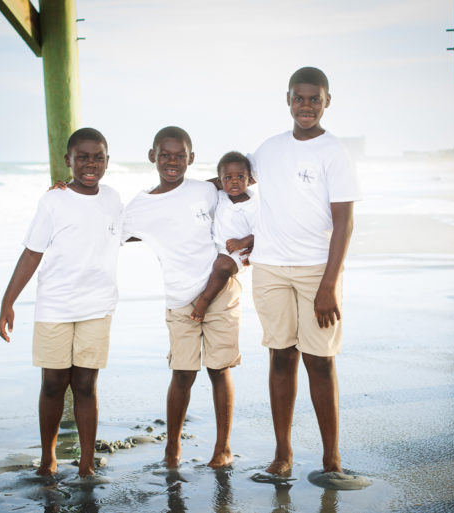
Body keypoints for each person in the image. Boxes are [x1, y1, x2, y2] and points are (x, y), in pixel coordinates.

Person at [248, 67, 368, 488]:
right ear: (288, 100)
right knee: (280, 356)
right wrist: (173, 188)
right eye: (299, 98)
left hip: (317, 270)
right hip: (269, 268)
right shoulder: (269, 148)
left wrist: (329, 285)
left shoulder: (334, 152)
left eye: (314, 99)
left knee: (320, 361)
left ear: (327, 102)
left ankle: (331, 458)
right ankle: (282, 455)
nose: (306, 106)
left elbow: (344, 224)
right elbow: (232, 182)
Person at [0, 128, 123, 478]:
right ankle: (48, 459)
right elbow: (32, 252)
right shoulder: (53, 200)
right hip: (55, 306)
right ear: (68, 161)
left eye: (97, 157)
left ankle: (86, 462)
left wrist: (218, 183)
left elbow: (141, 222)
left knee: (85, 385)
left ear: (107, 161)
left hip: (97, 307)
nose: (90, 163)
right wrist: (9, 302)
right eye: (82, 157)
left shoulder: (113, 198)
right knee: (53, 383)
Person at [122, 126, 241, 469]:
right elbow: (109, 229)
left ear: (191, 158)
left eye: (179, 155)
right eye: (165, 155)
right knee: (183, 373)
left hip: (219, 291)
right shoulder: (140, 206)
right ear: (152, 157)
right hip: (179, 297)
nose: (172, 162)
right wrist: (66, 191)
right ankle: (172, 448)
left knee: (219, 370)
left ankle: (222, 449)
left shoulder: (205, 190)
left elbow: (242, 179)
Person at [190, 151, 258, 322]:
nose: (234, 181)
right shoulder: (220, 196)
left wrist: (244, 241)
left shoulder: (253, 205)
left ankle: (204, 301)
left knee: (223, 267)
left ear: (249, 179)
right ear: (220, 182)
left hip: (237, 252)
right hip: (215, 245)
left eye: (240, 177)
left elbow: (263, 231)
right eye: (228, 178)